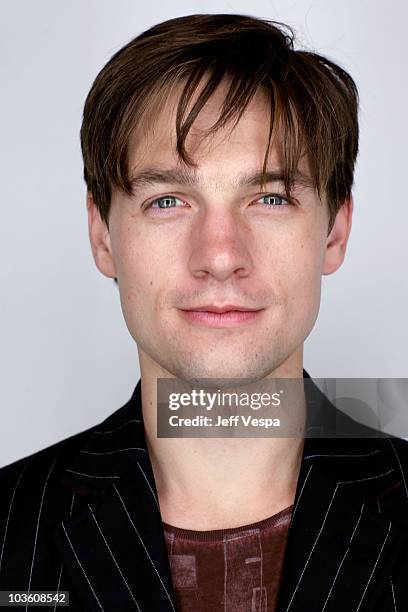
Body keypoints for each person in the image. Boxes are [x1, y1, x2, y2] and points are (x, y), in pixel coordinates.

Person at [0, 13, 407, 612]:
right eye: (169, 200)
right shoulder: (11, 523)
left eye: (270, 198)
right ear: (103, 235)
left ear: (335, 232)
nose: (220, 256)